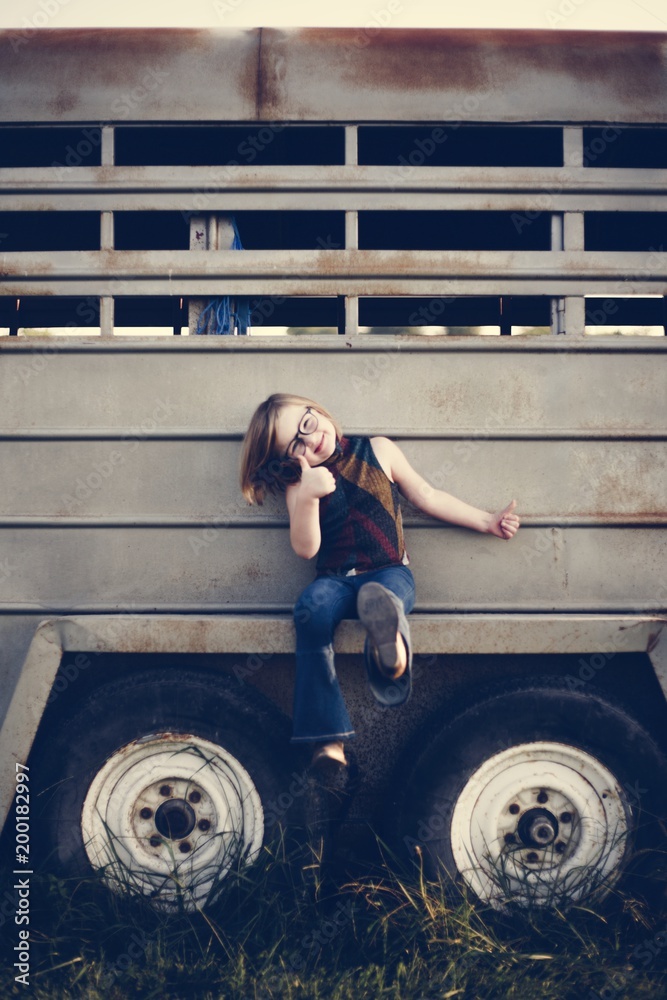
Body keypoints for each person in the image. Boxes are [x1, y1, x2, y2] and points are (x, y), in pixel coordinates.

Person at [240, 393, 520, 770]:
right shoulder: (300, 486)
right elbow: (306, 549)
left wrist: (486, 521)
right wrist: (307, 496)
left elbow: (427, 496)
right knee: (310, 610)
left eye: (307, 424)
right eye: (296, 445)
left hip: (390, 569)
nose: (311, 439)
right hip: (336, 580)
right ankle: (327, 742)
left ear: (318, 411)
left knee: (385, 597)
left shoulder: (378, 450)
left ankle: (392, 655)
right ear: (287, 461)